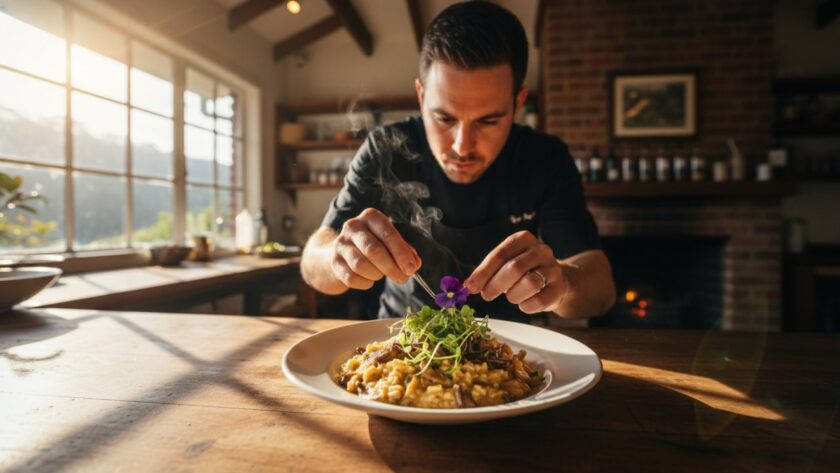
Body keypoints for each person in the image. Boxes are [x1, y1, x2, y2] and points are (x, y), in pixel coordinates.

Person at [301, 1, 615, 321]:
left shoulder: (544, 158)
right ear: (422, 97)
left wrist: (564, 284)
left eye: (488, 121)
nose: (462, 147)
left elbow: (600, 289)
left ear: (518, 102)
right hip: (400, 342)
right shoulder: (386, 147)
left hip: (512, 348)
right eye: (444, 118)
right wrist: (337, 257)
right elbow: (313, 262)